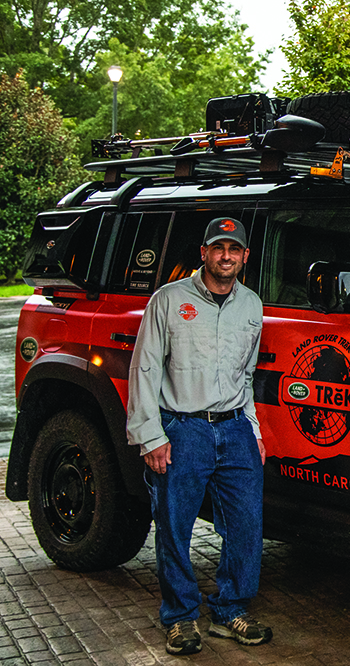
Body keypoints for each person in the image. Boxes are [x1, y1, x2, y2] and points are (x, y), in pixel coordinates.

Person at [127, 218, 272, 655]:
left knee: (246, 526)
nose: (225, 256)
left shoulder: (251, 305)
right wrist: (151, 436)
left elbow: (244, 374)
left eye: (233, 249)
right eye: (217, 248)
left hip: (235, 429)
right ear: (204, 253)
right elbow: (145, 369)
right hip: (183, 428)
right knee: (175, 527)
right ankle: (180, 616)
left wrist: (254, 429)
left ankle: (231, 611)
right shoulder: (168, 300)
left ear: (245, 257)